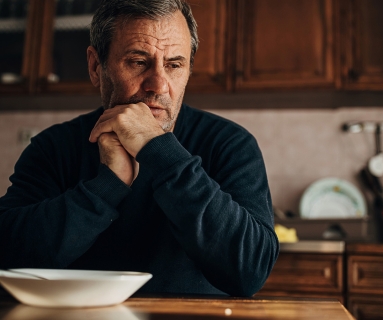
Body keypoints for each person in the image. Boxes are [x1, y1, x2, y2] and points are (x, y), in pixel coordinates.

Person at [0, 0, 279, 297]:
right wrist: (108, 186)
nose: (158, 85)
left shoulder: (229, 144)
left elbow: (250, 271)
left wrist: (159, 151)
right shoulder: (54, 147)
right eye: (137, 62)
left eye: (174, 65)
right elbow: (8, 254)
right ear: (96, 67)